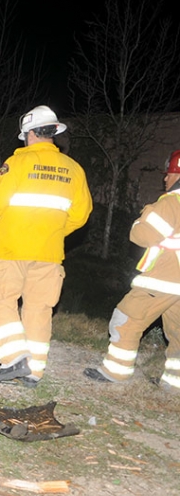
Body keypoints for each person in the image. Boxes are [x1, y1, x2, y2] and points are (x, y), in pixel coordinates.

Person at [0, 105, 93, 387]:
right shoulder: (74, 170)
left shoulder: (18, 163)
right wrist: (52, 232)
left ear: (31, 133)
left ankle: (14, 359)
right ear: (53, 133)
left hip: (10, 249)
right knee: (38, 309)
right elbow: (81, 215)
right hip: (49, 253)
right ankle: (34, 372)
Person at [84, 150, 180, 393]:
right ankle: (174, 384)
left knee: (125, 320)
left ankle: (116, 371)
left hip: (163, 281)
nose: (165, 179)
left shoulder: (170, 203)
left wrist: (140, 218)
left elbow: (141, 235)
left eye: (168, 174)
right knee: (178, 334)